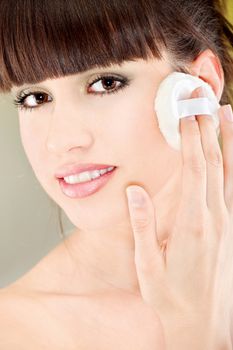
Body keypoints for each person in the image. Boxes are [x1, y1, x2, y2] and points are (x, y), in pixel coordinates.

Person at [0, 0, 233, 349]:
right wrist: (194, 331)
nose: (61, 141)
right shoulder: (14, 331)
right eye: (35, 97)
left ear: (198, 86)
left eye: (105, 83)